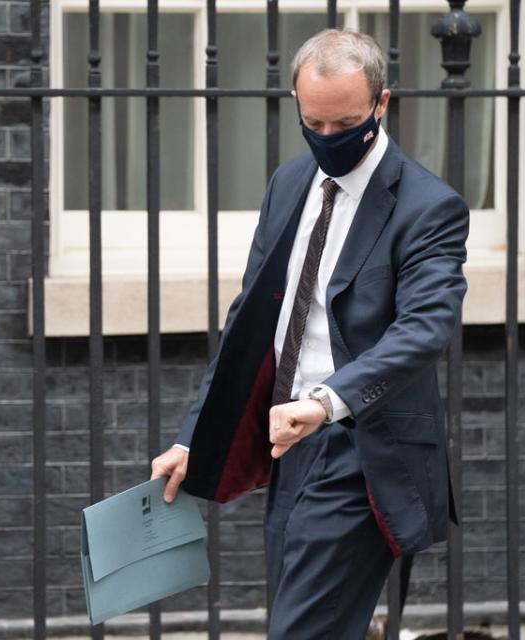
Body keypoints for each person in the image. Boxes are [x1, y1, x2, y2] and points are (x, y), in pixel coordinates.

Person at [150, 28, 468, 639]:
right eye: (313, 123)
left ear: (382, 103)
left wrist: (325, 403)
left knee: (301, 631)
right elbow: (250, 326)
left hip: (364, 448)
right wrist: (198, 436)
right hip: (289, 447)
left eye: (345, 123)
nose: (328, 139)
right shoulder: (290, 184)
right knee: (314, 622)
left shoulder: (429, 206)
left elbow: (426, 328)